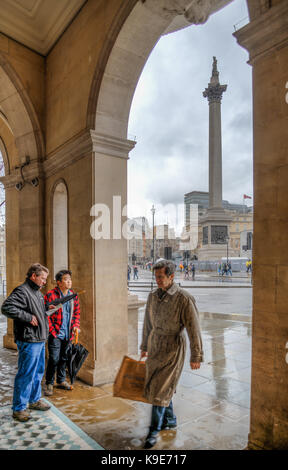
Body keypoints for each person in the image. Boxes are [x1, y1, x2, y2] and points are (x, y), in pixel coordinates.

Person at [140, 259, 203, 449]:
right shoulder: (152, 296)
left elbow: (194, 329)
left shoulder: (184, 298)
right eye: (156, 276)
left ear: (171, 276)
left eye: (161, 277)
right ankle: (170, 419)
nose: (157, 280)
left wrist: (196, 355)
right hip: (155, 345)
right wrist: (144, 345)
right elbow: (147, 324)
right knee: (160, 386)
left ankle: (153, 431)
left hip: (173, 348)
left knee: (159, 390)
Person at [1, 263, 51, 422]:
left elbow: (37, 311)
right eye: (42, 278)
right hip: (29, 340)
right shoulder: (22, 291)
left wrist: (49, 308)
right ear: (33, 276)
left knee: (37, 373)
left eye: (45, 279)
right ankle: (19, 408)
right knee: (26, 374)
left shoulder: (37, 293)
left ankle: (34, 400)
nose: (44, 282)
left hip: (39, 339)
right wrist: (28, 317)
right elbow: (6, 307)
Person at [44, 269, 80, 396]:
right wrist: (52, 331)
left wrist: (76, 326)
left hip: (68, 333)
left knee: (64, 358)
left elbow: (76, 313)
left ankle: (60, 380)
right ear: (59, 282)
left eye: (70, 279)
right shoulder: (51, 295)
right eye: (66, 279)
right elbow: (46, 315)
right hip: (55, 333)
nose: (69, 281)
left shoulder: (73, 296)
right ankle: (49, 382)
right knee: (54, 358)